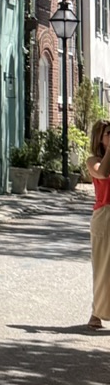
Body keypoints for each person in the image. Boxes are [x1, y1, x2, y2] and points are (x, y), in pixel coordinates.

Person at [87, 119, 110, 330]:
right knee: (103, 267)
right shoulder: (93, 160)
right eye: (109, 134)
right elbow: (102, 173)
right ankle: (97, 313)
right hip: (105, 215)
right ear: (100, 138)